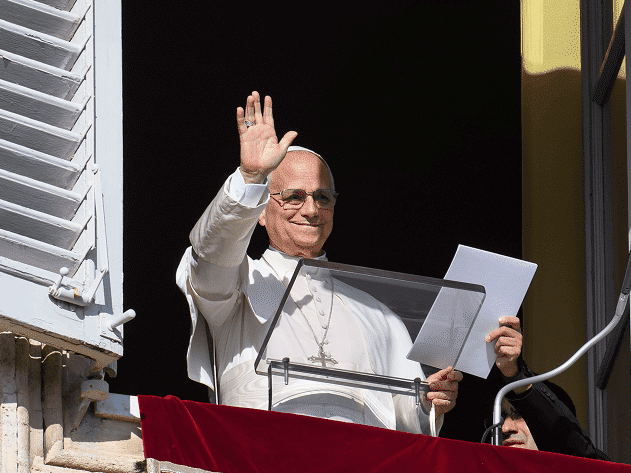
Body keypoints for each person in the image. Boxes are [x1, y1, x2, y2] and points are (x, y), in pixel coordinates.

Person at [176, 91, 461, 435]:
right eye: (293, 197)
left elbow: (406, 419)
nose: (310, 210)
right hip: (264, 459)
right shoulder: (237, 284)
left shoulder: (376, 313)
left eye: (322, 198)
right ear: (262, 212)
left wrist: (430, 400)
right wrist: (251, 178)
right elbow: (209, 254)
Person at [487, 317, 610, 460]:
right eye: (501, 417)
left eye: (519, 414)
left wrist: (515, 374)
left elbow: (579, 449)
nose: (505, 428)